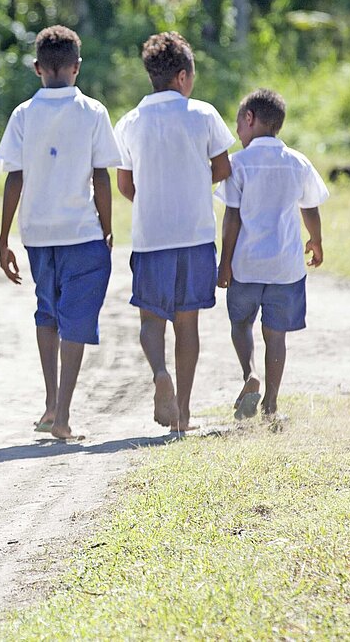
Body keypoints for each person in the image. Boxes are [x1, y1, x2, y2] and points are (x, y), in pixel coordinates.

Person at [0, 25, 121, 440]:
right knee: (76, 318)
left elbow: (14, 177)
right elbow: (101, 175)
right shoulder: (93, 112)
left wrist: (3, 237)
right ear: (76, 67)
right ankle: (64, 413)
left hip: (37, 233)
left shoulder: (23, 114)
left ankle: (51, 404)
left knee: (46, 313)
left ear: (37, 68)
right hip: (82, 232)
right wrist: (107, 226)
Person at [113, 31, 236, 433]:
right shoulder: (203, 114)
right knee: (188, 324)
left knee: (151, 320)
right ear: (183, 76)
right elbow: (222, 169)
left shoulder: (130, 121)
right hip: (196, 236)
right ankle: (182, 413)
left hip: (151, 237)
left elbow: (125, 185)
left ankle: (159, 373)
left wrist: (154, 202)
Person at [216, 89, 328, 419]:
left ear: (250, 119)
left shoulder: (238, 163)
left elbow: (232, 217)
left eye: (238, 123)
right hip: (285, 267)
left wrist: (224, 263)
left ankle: (250, 374)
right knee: (275, 334)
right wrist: (316, 240)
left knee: (241, 324)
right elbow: (310, 207)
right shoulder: (296, 161)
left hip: (246, 265)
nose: (237, 130)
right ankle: (272, 404)